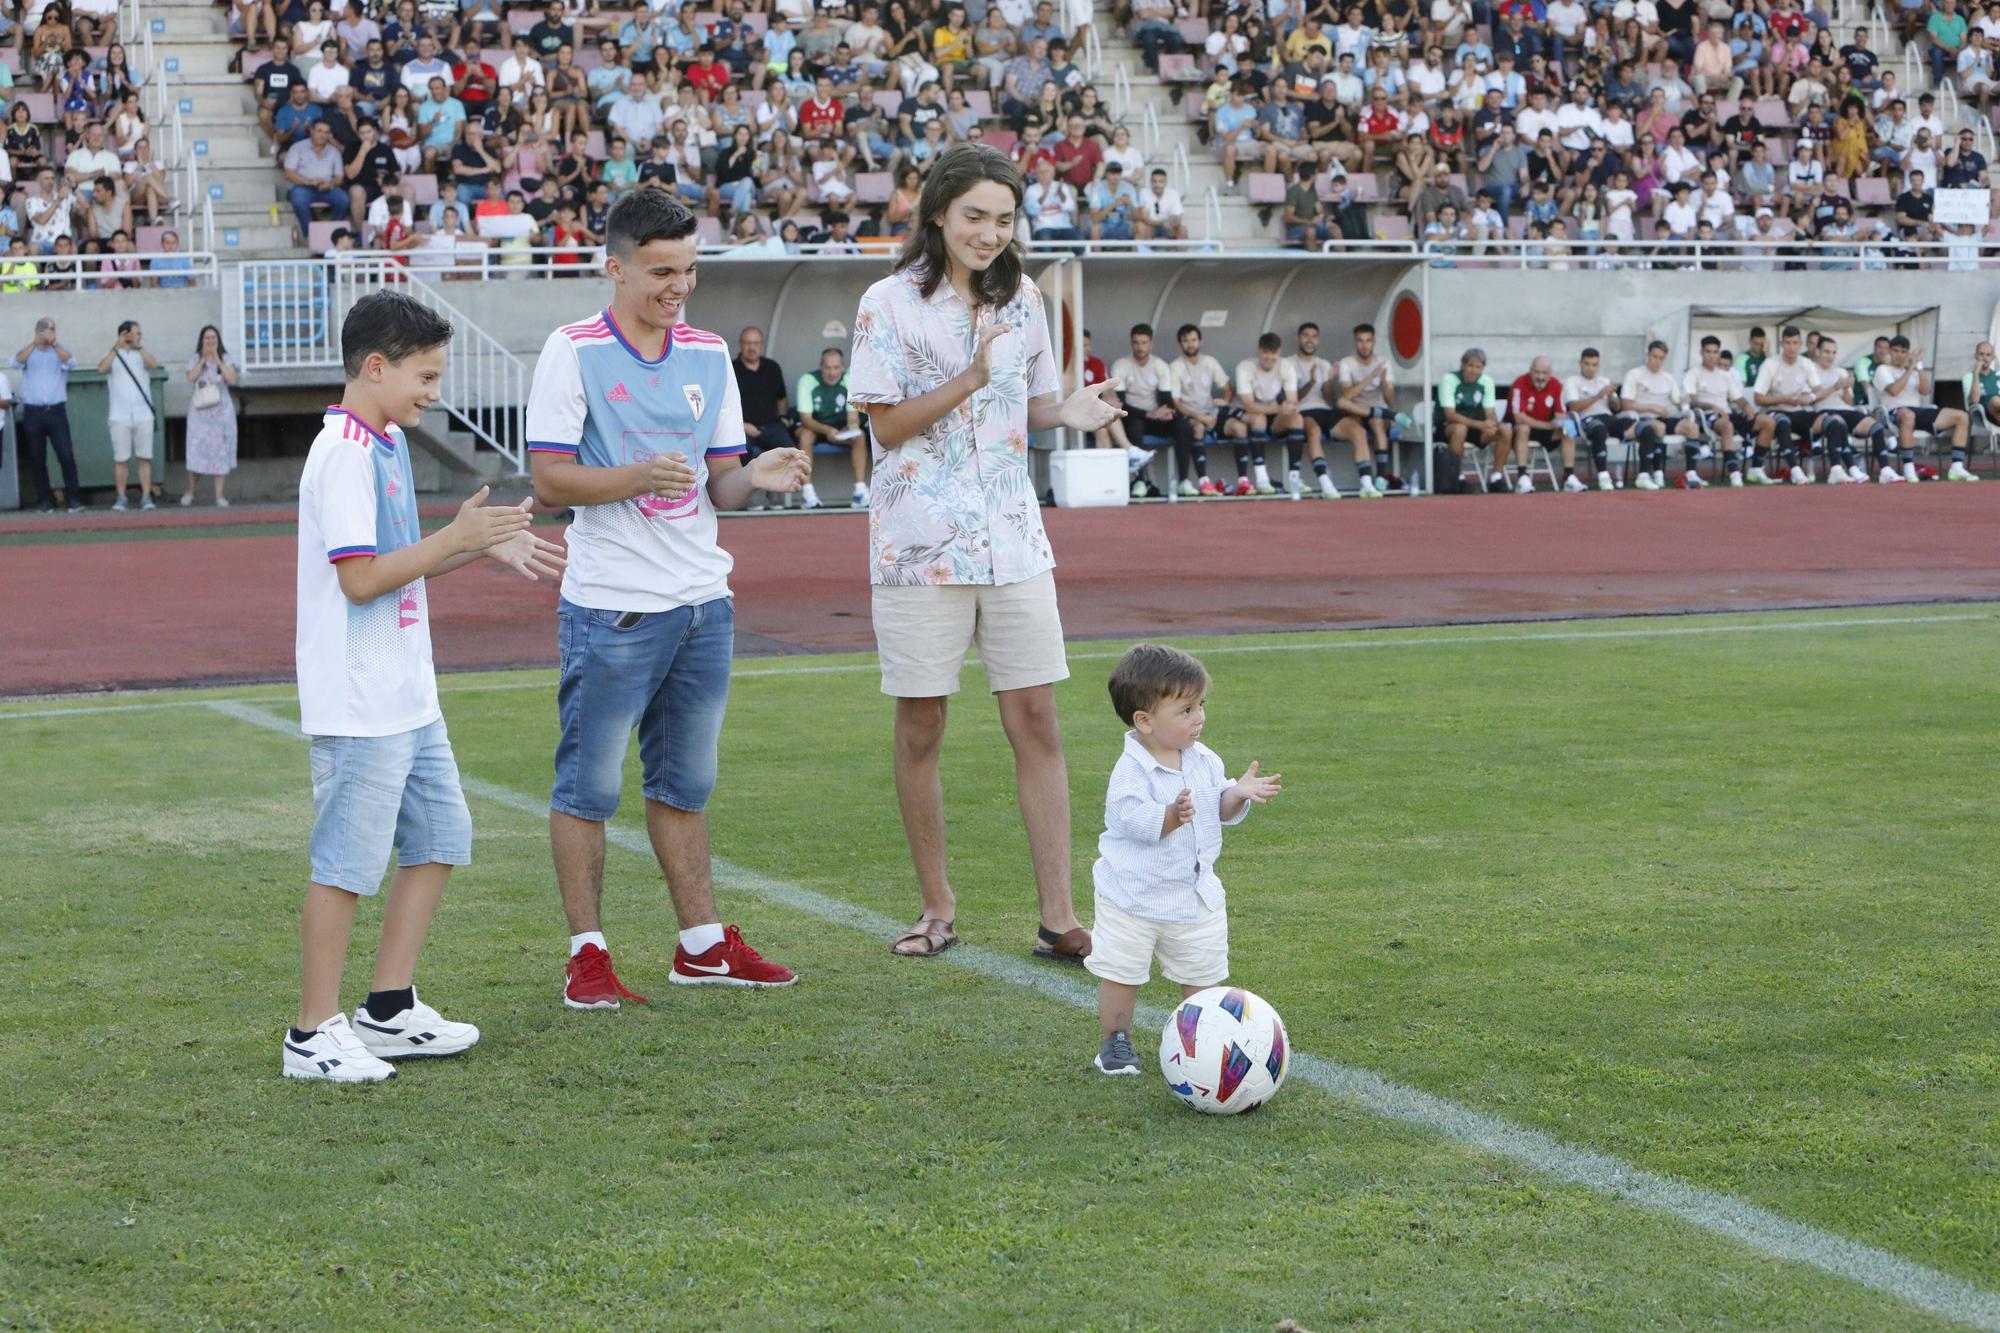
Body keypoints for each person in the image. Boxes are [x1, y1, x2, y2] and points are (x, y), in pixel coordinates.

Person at [527, 191, 811, 1009]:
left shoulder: (708, 352)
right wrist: (636, 476)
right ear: (614, 267)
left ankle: (701, 945)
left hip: (701, 601)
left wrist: (751, 476)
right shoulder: (572, 349)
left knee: (685, 782)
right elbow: (549, 479)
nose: (677, 286)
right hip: (612, 604)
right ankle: (587, 954)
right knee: (589, 787)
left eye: (688, 269)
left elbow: (719, 481)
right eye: (660, 271)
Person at [847, 142, 1119, 962]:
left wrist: (1062, 412)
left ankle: (1060, 915)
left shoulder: (1026, 298)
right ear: (937, 213)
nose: (990, 233)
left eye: (1004, 219)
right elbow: (885, 426)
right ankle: (937, 907)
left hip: (1015, 541)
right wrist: (968, 377)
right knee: (922, 724)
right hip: (918, 549)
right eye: (974, 216)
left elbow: (1026, 406)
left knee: (1035, 718)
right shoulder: (886, 303)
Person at [285, 289, 564, 1083]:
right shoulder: (340, 451)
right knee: (346, 862)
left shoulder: (387, 443)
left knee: (440, 834)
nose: (433, 392)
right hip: (359, 698)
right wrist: (457, 537)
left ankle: (388, 1009)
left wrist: (480, 547)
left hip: (408, 691)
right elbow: (362, 580)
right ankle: (311, 1031)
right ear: (375, 367)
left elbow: (403, 556)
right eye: (424, 375)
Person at [1087, 643, 1282, 1076]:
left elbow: (1219, 809)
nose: (1200, 717)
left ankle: (1207, 1045)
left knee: (1202, 975)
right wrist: (1172, 815)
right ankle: (1115, 1043)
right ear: (1145, 721)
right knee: (1122, 973)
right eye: (1187, 709)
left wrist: (1236, 794)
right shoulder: (1130, 771)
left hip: (1194, 896)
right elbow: (1135, 821)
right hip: (1131, 898)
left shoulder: (1204, 760)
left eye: (1201, 705)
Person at [1870, 335, 1970, 483]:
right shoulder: (1883, 369)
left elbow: (1925, 391)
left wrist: (1919, 366)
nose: (1899, 355)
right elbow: (1894, 390)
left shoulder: (1915, 372)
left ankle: (1957, 466)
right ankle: (1909, 467)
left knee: (1962, 416)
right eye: (1896, 351)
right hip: (1893, 413)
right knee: (1908, 415)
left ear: (1907, 353)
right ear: (1889, 352)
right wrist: (1910, 368)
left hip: (1917, 411)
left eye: (1903, 352)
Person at [14, 317, 82, 513]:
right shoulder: (29, 352)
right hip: (33, 412)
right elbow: (16, 361)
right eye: (44, 329)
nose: (48, 332)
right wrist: (34, 343)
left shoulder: (59, 351)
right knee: (37, 458)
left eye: (51, 328)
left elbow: (71, 362)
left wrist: (54, 343)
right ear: (37, 331)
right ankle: (44, 500)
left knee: (66, 455)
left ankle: (73, 499)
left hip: (56, 412)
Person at [1617, 341, 1698, 491]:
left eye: (1661, 358)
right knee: (1658, 427)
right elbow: (1626, 404)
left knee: (1692, 427)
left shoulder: (1668, 377)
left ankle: (1692, 474)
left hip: (1664, 417)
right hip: (1641, 418)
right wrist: (1651, 407)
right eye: (1654, 356)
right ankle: (1657, 472)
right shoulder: (1635, 374)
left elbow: (1677, 401)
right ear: (1648, 355)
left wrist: (1684, 400)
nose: (1657, 361)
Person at [794, 347, 867, 509]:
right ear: (821, 366)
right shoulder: (808, 380)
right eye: (828, 367)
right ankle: (807, 494)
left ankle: (859, 492)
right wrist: (827, 431)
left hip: (839, 430)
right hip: (815, 427)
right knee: (806, 435)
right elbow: (805, 419)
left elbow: (853, 418)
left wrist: (851, 429)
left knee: (860, 435)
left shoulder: (849, 379)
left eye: (836, 368)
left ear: (842, 367)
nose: (832, 372)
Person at [1751, 325, 1823, 485]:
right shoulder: (1770, 364)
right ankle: (1795, 470)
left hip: (1799, 411)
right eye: (1788, 343)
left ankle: (1840, 469)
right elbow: (1758, 398)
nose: (1791, 347)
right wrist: (1784, 399)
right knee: (1783, 421)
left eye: (1795, 343)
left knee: (1829, 420)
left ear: (1800, 344)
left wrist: (1810, 396)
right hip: (1775, 411)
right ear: (1781, 343)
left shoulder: (1806, 363)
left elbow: (1819, 391)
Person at [97, 319, 157, 510]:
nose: (138, 336)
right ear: (124, 334)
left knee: (145, 457)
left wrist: (139, 347)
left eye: (139, 333)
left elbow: (153, 364)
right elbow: (101, 368)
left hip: (143, 413)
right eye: (134, 333)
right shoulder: (113, 354)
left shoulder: (142, 354)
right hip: (119, 414)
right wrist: (117, 346)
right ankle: (121, 496)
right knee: (121, 459)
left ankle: (146, 495)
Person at [1331, 322, 1397, 497]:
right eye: (1360, 341)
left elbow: (1390, 400)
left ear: (1374, 341)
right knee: (1347, 410)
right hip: (1355, 411)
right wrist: (1370, 377)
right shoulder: (1347, 362)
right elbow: (1347, 395)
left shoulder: (1384, 362)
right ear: (1355, 342)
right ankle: (1365, 480)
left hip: (1379, 412)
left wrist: (1383, 382)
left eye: (1368, 340)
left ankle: (1381, 476)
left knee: (1377, 421)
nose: (1364, 345)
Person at [732, 326, 795, 507]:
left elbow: (781, 397)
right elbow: (723, 404)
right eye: (748, 343)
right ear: (741, 345)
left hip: (770, 426)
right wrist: (741, 425)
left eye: (756, 343)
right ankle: (751, 495)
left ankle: (777, 491)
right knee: (742, 449)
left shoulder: (772, 368)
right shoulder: (731, 368)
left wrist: (782, 417)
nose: (752, 347)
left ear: (761, 345)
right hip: (741, 428)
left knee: (788, 448)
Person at [1230, 333, 1300, 495]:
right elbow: (1248, 405)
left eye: (1273, 353)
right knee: (1259, 419)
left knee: (1297, 419)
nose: (1269, 357)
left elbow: (1293, 400)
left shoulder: (1286, 366)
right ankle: (1262, 479)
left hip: (1272, 411)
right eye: (1265, 353)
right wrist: (1279, 409)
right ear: (1259, 351)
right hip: (1242, 411)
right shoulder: (1245, 367)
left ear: (1279, 352)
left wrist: (1290, 408)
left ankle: (1294, 478)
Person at [183, 325, 241, 507]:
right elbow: (190, 377)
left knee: (221, 451)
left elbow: (232, 379)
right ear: (201, 340)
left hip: (221, 412)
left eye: (213, 338)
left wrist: (217, 359)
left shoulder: (225, 358)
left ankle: (219, 495)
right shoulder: (195, 358)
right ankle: (190, 492)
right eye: (207, 338)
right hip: (200, 413)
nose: (210, 341)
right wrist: (202, 360)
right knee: (196, 450)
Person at [1681, 334, 1749, 488]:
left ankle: (1757, 466)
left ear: (1719, 353)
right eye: (1708, 352)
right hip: (1706, 416)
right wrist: (1710, 406)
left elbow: (1738, 397)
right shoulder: (1693, 373)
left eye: (1715, 352)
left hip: (1727, 414)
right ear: (1701, 352)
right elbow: (1689, 399)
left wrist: (1746, 406)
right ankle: (1733, 471)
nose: (1712, 356)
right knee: (1727, 425)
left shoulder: (1725, 375)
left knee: (1762, 421)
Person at [1283, 321, 1341, 498]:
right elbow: (1292, 400)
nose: (1310, 340)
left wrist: (1330, 381)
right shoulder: (1287, 363)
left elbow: (1330, 399)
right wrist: (1311, 382)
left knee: (1358, 429)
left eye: (1314, 337)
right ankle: (1324, 480)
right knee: (1314, 430)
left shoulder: (1323, 363)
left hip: (1324, 410)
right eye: (1306, 336)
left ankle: (1368, 481)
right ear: (1298, 339)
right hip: (1302, 412)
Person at [1435, 347, 1504, 480]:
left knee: (1505, 430)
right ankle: (1456, 477)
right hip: (1446, 427)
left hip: (1474, 427)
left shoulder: (1487, 381)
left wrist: (1491, 425)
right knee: (1460, 429)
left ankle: (1497, 477)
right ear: (1463, 365)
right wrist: (1480, 425)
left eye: (1478, 367)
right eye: (1470, 365)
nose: (1473, 370)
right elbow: (1450, 415)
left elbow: (1489, 412)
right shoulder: (1449, 379)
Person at [1506, 356, 1570, 492]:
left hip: (1544, 430)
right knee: (1523, 429)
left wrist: (1560, 421)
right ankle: (1522, 477)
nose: (1540, 377)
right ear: (1530, 371)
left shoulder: (1556, 385)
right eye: (1536, 372)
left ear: (1550, 373)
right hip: (1518, 432)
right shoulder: (1519, 383)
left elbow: (1561, 414)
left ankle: (1569, 477)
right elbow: (1519, 417)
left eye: (1544, 373)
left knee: (1569, 428)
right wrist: (1547, 425)